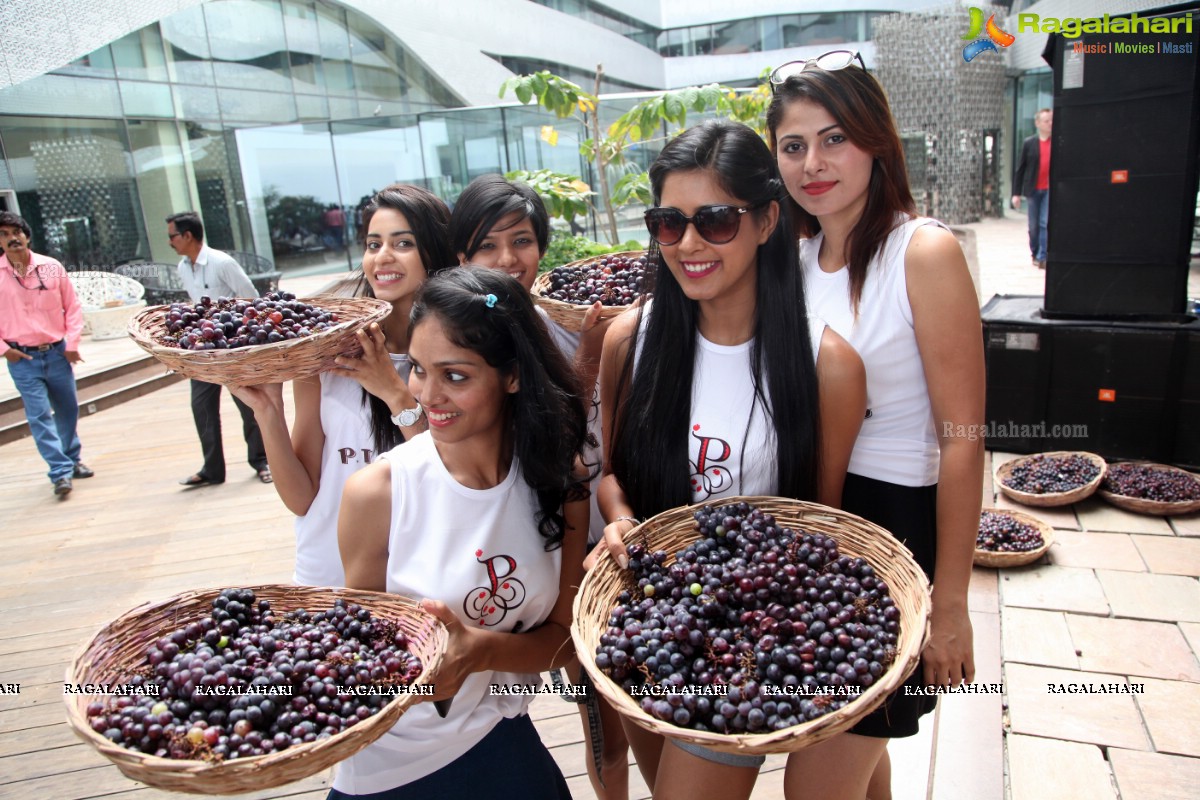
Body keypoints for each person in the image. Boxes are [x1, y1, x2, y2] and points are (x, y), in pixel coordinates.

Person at [597, 119, 868, 799]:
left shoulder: (825, 364)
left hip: (752, 642)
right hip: (653, 623)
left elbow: (822, 526)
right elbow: (608, 474)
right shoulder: (631, 340)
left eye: (715, 220)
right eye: (668, 222)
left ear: (767, 220)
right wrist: (620, 518)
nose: (688, 244)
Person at [767, 51, 985, 798]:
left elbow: (963, 441)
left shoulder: (920, 251)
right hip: (824, 521)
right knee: (861, 744)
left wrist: (950, 604)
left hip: (899, 528)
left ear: (875, 143)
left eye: (834, 139)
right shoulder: (795, 259)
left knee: (815, 782)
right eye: (793, 146)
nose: (813, 162)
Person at [332, 266, 589, 799]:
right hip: (393, 764)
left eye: (456, 375)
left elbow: (564, 639)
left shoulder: (558, 479)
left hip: (500, 734)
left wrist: (479, 651)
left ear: (513, 375)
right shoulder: (377, 493)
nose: (428, 395)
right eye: (420, 370)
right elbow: (356, 662)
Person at [451, 174, 631, 798]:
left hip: (596, 534)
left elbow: (598, 444)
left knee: (616, 700)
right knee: (553, 695)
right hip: (524, 549)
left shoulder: (566, 322)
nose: (508, 260)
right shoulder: (465, 342)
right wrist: (586, 363)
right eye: (488, 246)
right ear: (461, 257)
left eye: (522, 241)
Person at [230, 184, 452, 587]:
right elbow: (301, 498)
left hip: (416, 577)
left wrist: (394, 392)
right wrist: (267, 412)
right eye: (373, 244)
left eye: (403, 243)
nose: (382, 256)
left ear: (434, 253)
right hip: (325, 575)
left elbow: (453, 475)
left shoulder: (454, 358)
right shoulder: (325, 355)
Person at [166, 211, 271, 487]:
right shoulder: (182, 267)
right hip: (203, 348)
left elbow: (252, 298)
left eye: (172, 236)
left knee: (248, 404)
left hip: (231, 346)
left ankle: (262, 461)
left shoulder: (222, 263)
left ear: (188, 235)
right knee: (201, 406)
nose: (169, 242)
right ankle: (212, 469)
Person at [0, 211, 93, 497]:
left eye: (16, 231)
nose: (12, 238)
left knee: (68, 410)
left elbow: (73, 307)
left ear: (27, 235)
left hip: (57, 353)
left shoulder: (51, 267)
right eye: (3, 234)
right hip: (23, 359)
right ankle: (60, 472)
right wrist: (5, 350)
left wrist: (72, 343)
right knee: (39, 415)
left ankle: (72, 458)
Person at [1012, 108, 1053, 269]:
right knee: (1033, 226)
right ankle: (1035, 252)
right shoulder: (1029, 143)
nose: (1050, 124)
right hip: (1033, 189)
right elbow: (1020, 169)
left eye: (1051, 120)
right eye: (1046, 121)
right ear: (1038, 123)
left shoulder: (1056, 142)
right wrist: (1016, 193)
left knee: (1045, 223)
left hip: (1049, 190)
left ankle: (1043, 256)